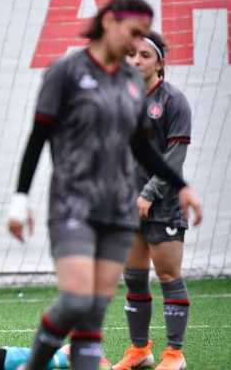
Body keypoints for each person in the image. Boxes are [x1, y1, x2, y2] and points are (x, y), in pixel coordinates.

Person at [6, 0, 202, 370]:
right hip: (73, 204)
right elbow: (38, 135)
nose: (136, 43)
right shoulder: (66, 72)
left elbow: (143, 148)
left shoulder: (129, 82)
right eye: (133, 32)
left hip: (119, 211)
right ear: (110, 22)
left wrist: (181, 186)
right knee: (77, 300)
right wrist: (19, 197)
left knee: (93, 314)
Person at [112, 31, 192, 370]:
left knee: (168, 275)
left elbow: (175, 156)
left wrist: (148, 193)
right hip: (129, 203)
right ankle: (139, 350)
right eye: (131, 55)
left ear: (160, 61)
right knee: (133, 276)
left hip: (164, 203)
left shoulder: (174, 101)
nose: (135, 61)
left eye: (145, 55)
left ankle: (175, 355)